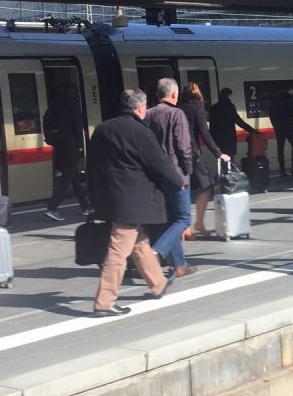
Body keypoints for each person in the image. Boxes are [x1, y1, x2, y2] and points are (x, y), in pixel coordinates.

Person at [88, 89, 182, 315]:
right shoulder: (141, 132)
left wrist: (93, 197)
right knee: (118, 251)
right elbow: (159, 163)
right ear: (140, 107)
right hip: (134, 202)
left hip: (111, 198)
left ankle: (158, 283)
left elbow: (91, 166)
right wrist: (178, 182)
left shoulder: (102, 129)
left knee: (139, 242)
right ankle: (105, 302)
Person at [144, 78, 195, 278]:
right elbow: (183, 146)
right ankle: (157, 251)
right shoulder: (176, 114)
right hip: (176, 175)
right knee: (183, 218)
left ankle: (179, 265)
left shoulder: (147, 115)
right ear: (174, 94)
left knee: (171, 219)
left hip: (157, 176)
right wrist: (188, 170)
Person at [180, 82, 227, 238]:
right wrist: (218, 153)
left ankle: (184, 226)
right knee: (206, 185)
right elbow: (205, 135)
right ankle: (198, 223)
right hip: (193, 153)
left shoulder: (178, 109)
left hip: (178, 153)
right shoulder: (198, 110)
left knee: (183, 186)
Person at [42, 83, 91, 221]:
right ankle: (53, 207)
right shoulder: (72, 106)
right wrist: (81, 145)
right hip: (71, 146)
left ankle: (85, 207)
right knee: (67, 177)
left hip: (58, 146)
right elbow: (77, 126)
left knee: (74, 176)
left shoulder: (53, 107)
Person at [208, 87, 257, 159]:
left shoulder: (213, 108)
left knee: (220, 160)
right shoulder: (230, 106)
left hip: (217, 140)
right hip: (228, 139)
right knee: (229, 160)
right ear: (229, 95)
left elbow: (211, 126)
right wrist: (252, 130)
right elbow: (239, 121)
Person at [268, 85, 293, 178]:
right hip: (289, 127)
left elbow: (270, 115)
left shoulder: (273, 101)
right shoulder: (289, 99)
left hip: (279, 128)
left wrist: (275, 126)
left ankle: (282, 171)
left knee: (280, 149)